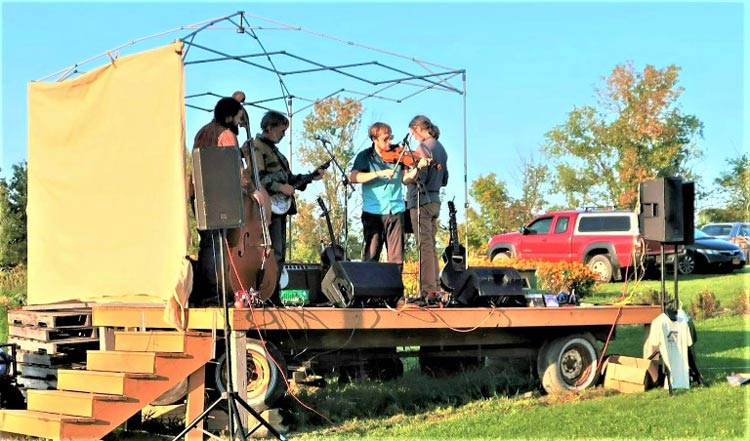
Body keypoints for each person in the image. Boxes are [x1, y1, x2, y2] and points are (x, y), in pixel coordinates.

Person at [191, 97, 264, 304]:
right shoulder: (227, 135)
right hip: (218, 196)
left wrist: (240, 152)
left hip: (198, 193)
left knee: (207, 244)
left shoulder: (203, 131)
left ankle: (206, 293)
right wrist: (252, 190)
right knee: (218, 245)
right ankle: (218, 294)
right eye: (239, 118)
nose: (241, 123)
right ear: (230, 116)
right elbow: (233, 168)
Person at [252, 110, 325, 304]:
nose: (284, 134)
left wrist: (309, 177)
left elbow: (290, 181)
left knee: (279, 252)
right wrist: (279, 187)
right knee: (270, 252)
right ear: (270, 127)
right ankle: (265, 294)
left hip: (280, 208)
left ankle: (274, 294)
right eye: (281, 130)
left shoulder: (276, 152)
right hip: (267, 207)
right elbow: (258, 176)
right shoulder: (256, 147)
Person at [403, 115, 449, 304]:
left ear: (418, 128)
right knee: (431, 246)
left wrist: (406, 176)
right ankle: (434, 288)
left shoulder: (422, 148)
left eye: (412, 132)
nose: (413, 136)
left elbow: (417, 176)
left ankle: (427, 291)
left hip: (421, 201)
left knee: (424, 247)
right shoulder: (441, 148)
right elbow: (445, 179)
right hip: (435, 200)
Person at [349, 122, 407, 268]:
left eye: (391, 138)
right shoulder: (365, 156)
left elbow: (406, 179)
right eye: (385, 139)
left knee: (397, 259)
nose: (390, 142)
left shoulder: (399, 153)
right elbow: (354, 177)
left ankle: (394, 289)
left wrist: (418, 168)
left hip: (396, 210)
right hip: (373, 211)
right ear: (375, 139)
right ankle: (369, 290)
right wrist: (380, 173)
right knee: (371, 256)